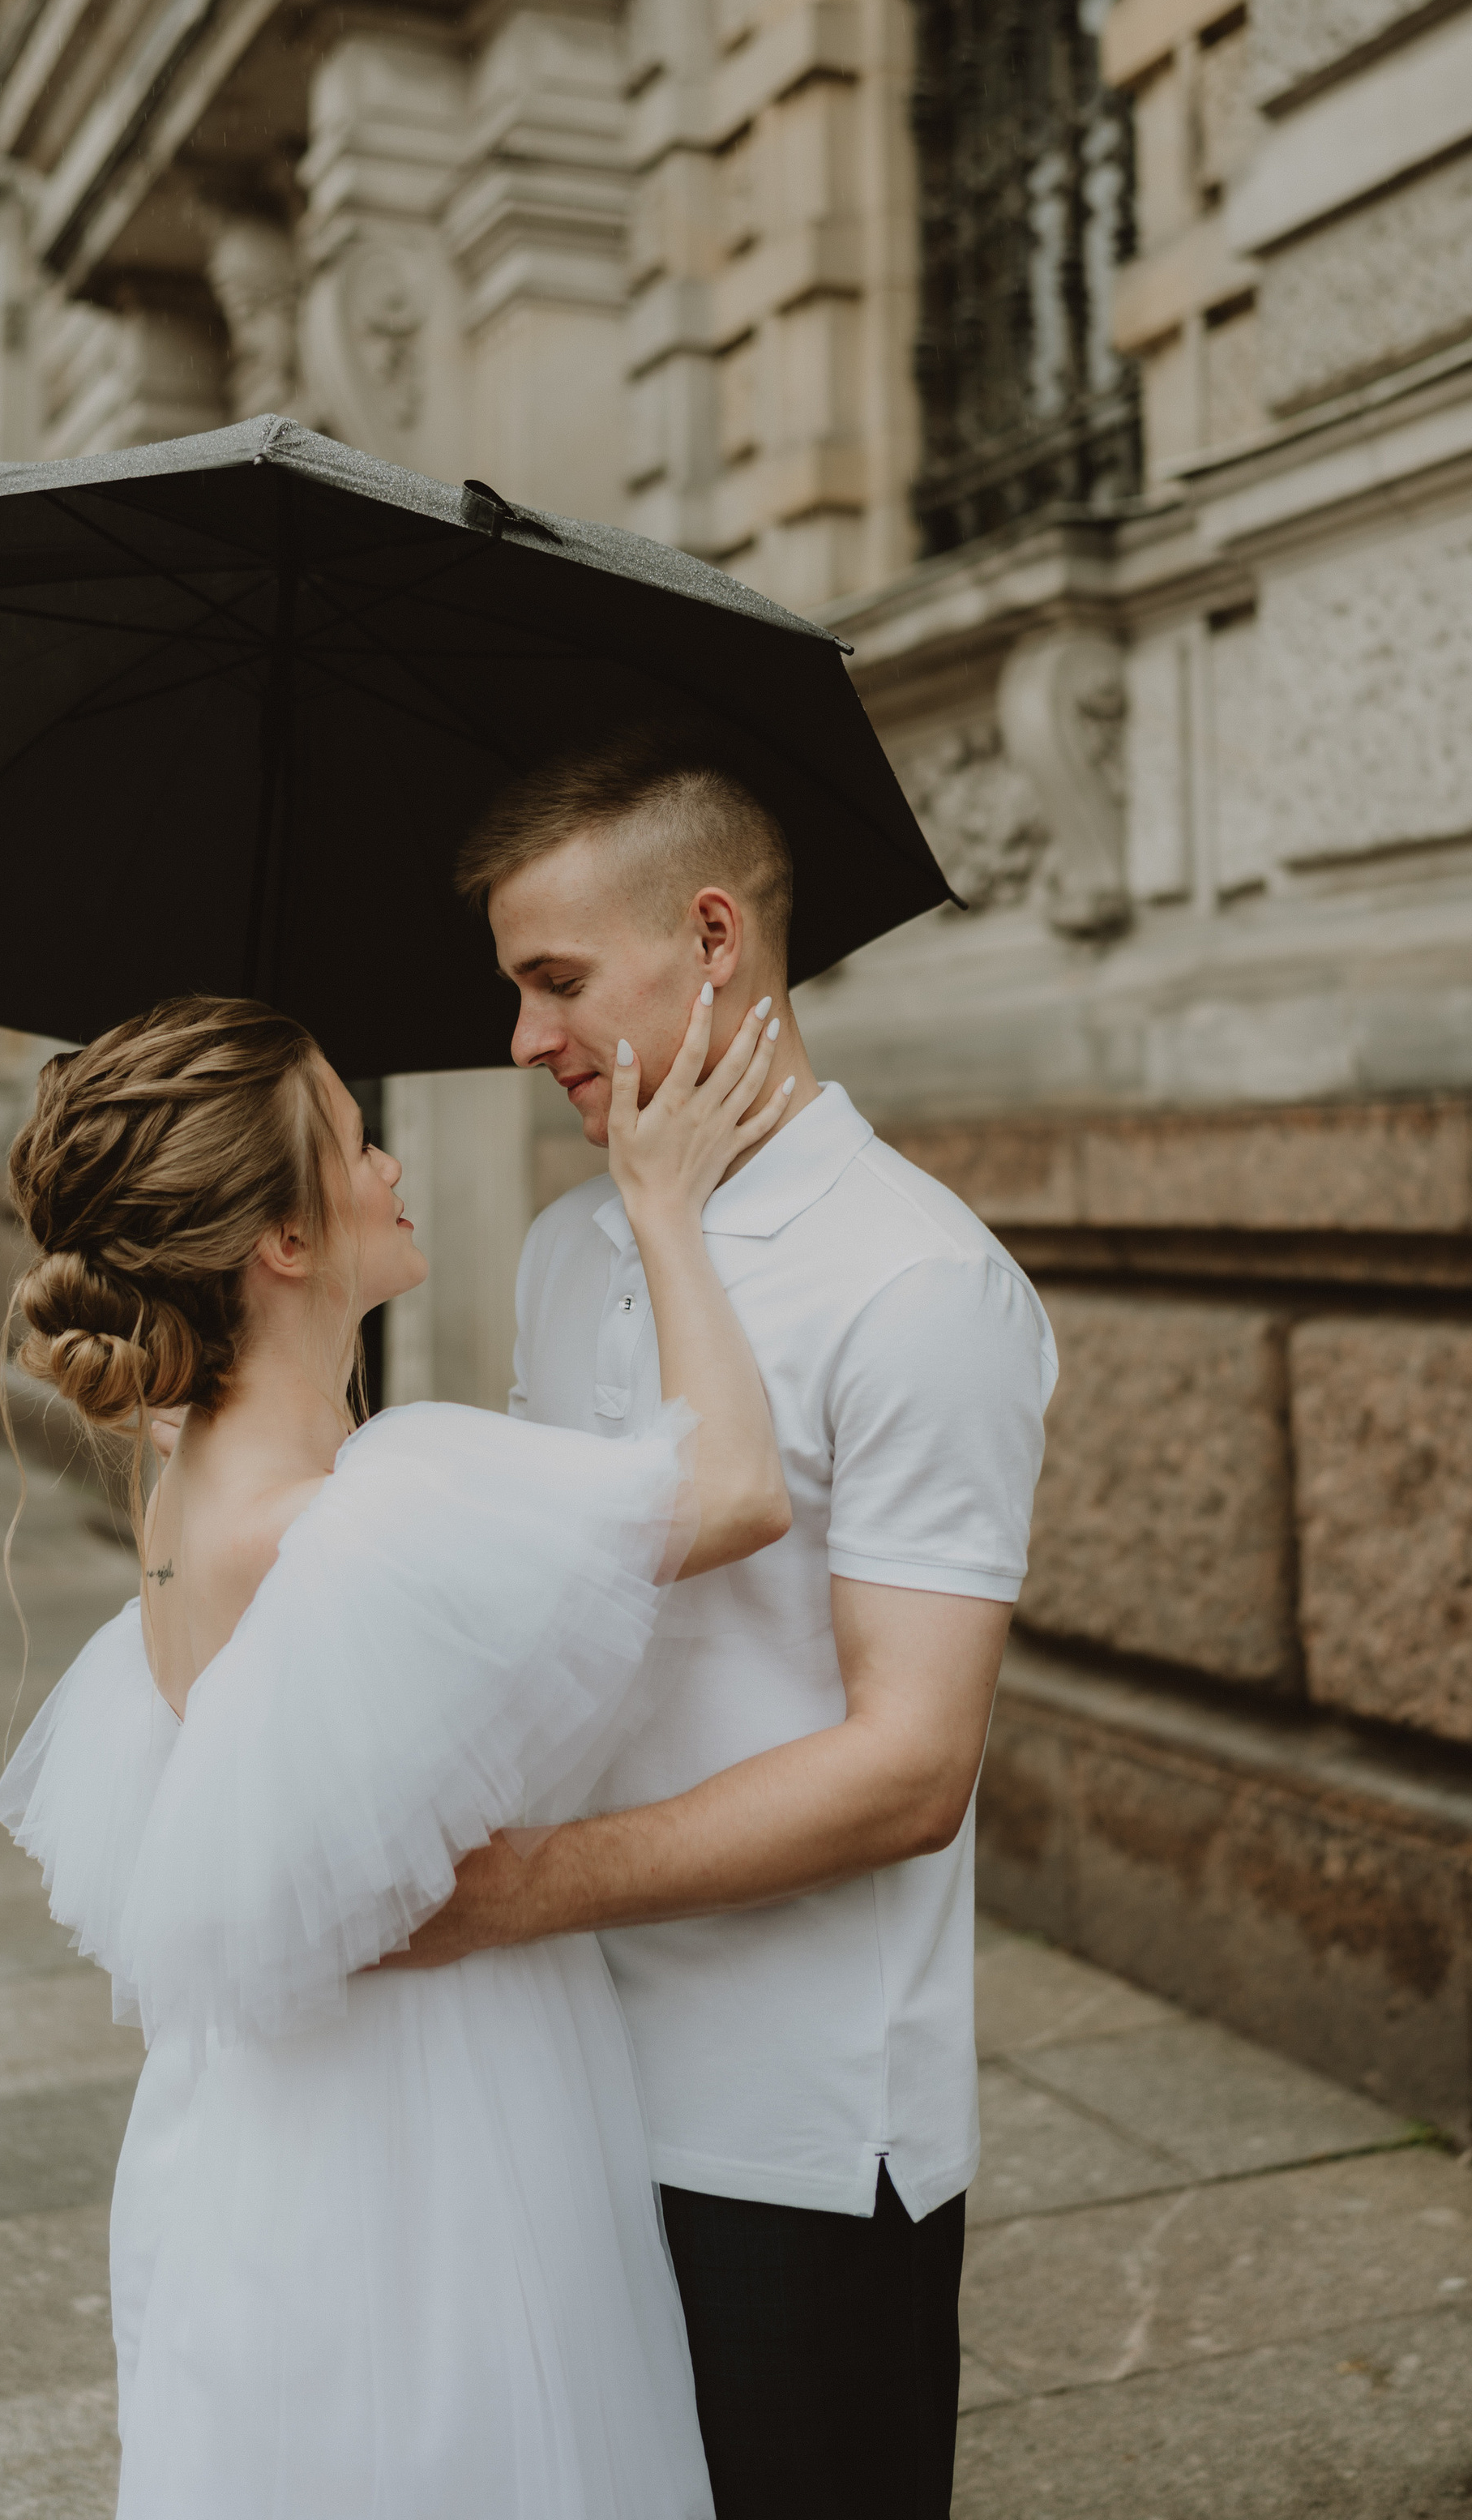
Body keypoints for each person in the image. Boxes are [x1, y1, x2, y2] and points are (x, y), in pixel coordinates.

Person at [0, 988, 799, 2520]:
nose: (392, 1166)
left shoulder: (188, 1483)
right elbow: (743, 1489)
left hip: (259, 2157)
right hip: (433, 2157)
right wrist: (662, 1202)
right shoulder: (362, 1514)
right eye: (357, 1143)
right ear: (281, 1243)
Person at [392, 739, 1060, 2520]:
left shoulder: (913, 1281)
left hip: (793, 2126)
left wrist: (517, 1888)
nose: (525, 1040)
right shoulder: (562, 1246)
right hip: (555, 2074)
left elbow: (911, 1765)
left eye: (553, 983)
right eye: (514, 991)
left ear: (710, 938)